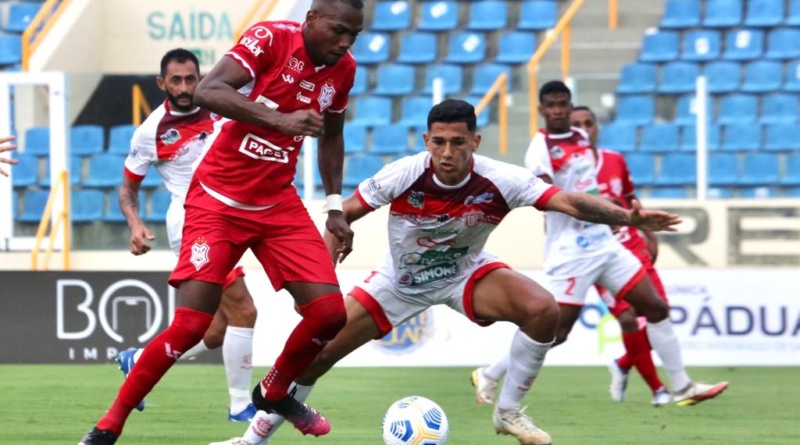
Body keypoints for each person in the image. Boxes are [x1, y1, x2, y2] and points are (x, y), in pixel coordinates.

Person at [207, 99, 682, 445]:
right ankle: (253, 440)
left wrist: (628, 217)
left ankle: (509, 412)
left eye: (458, 142)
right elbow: (340, 217)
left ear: (475, 141)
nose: (448, 152)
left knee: (544, 311)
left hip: (464, 275)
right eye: (439, 142)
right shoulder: (404, 173)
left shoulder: (502, 178)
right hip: (397, 283)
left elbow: (570, 201)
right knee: (316, 355)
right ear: (426, 141)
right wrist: (326, 279)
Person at [79, 0, 363, 443]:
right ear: (311, 20)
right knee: (193, 327)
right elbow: (210, 91)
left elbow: (333, 134)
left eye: (354, 35)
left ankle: (273, 389)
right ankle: (107, 426)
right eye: (339, 31)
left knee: (329, 314)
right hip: (216, 202)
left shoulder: (343, 69)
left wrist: (332, 206)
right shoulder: (270, 38)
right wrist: (280, 120)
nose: (345, 42)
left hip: (277, 204)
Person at [471, 81, 728, 411]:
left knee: (655, 308)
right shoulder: (540, 148)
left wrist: (617, 217)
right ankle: (490, 374)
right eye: (551, 105)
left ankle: (681, 386)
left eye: (563, 104)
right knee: (555, 333)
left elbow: (589, 189)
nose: (558, 111)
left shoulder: (580, 138)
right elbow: (548, 199)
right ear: (541, 109)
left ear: (570, 104)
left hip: (604, 244)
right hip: (571, 252)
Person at [115, 48, 258, 421]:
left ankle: (138, 358)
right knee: (244, 309)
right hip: (193, 220)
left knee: (215, 331)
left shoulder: (220, 105)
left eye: (190, 78)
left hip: (226, 216)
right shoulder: (151, 132)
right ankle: (242, 405)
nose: (183, 87)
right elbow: (127, 189)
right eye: (175, 80)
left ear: (201, 78)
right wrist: (134, 223)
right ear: (161, 83)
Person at [570, 105, 669, 405]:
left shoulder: (615, 160)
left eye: (589, 123)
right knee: (627, 318)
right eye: (577, 124)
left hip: (631, 248)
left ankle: (624, 363)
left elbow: (630, 201)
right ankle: (658, 389)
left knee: (657, 313)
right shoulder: (566, 169)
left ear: (597, 127)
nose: (584, 129)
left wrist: (648, 235)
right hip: (596, 252)